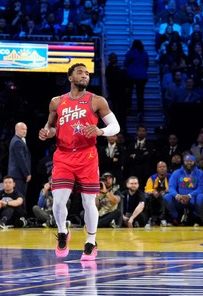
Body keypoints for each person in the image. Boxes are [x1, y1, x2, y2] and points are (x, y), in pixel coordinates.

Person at [38, 63, 121, 261]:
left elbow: (115, 126)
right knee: (58, 202)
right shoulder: (57, 102)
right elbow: (50, 127)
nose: (85, 76)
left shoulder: (97, 101)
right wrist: (46, 132)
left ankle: (91, 242)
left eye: (87, 73)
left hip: (87, 156)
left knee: (88, 201)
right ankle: (62, 232)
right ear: (70, 77)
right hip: (64, 155)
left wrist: (101, 131)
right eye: (80, 72)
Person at [124, 39, 149, 118]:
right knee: (140, 95)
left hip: (131, 75)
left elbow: (125, 63)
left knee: (129, 93)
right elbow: (147, 64)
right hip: (142, 76)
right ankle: (140, 111)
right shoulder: (144, 54)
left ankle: (129, 108)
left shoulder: (130, 53)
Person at [8, 122, 31, 198]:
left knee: (18, 197)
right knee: (19, 197)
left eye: (26, 129)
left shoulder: (16, 140)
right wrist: (27, 173)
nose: (25, 131)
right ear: (16, 129)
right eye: (22, 129)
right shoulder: (17, 141)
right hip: (18, 175)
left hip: (16, 175)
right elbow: (21, 160)